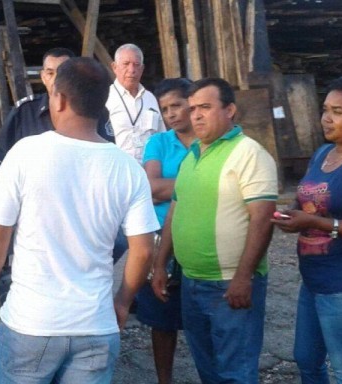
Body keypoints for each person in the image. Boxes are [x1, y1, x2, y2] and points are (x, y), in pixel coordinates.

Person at [0, 57, 159, 384]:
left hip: (33, 323)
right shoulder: (127, 167)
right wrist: (121, 301)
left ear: (58, 99)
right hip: (96, 325)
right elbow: (143, 251)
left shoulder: (25, 153)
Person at [151, 77, 278, 384]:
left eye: (205, 107)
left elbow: (262, 219)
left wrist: (243, 277)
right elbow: (175, 213)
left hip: (229, 285)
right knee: (208, 370)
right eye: (192, 108)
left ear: (230, 109)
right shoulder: (193, 155)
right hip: (192, 282)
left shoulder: (249, 153)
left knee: (236, 372)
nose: (195, 115)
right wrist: (159, 264)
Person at [271, 77, 342, 384]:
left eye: (337, 111)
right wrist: (287, 215)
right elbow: (306, 202)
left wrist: (312, 223)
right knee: (307, 361)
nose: (326, 118)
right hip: (314, 281)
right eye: (325, 109)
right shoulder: (323, 154)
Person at [136, 78, 195, 384]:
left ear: (192, 102)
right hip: (162, 236)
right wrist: (201, 185)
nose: (171, 114)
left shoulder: (209, 141)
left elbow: (163, 188)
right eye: (164, 109)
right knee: (162, 317)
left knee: (204, 313)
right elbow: (152, 188)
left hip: (202, 234)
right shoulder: (158, 142)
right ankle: (164, 379)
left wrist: (171, 189)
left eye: (177, 105)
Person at [0, 47, 112, 164]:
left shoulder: (91, 110)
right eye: (50, 73)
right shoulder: (25, 111)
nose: (55, 79)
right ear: (42, 77)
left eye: (62, 73)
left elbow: (105, 152)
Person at [106, 43, 166, 164]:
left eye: (136, 65)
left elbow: (161, 136)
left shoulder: (150, 98)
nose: (132, 70)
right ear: (114, 67)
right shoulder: (105, 98)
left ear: (142, 69)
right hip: (118, 167)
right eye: (126, 64)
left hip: (148, 170)